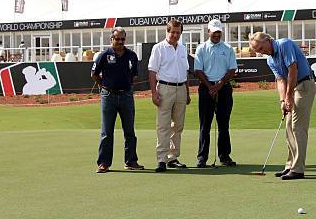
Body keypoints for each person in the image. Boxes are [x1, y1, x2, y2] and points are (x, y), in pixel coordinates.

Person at [249, 32, 316, 180]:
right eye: (258, 51)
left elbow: (293, 69)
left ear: (268, 40)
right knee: (288, 127)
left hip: (304, 85)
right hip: (292, 88)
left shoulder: (284, 44)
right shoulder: (270, 60)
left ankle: (298, 169)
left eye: (261, 48)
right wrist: (282, 101)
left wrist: (289, 96)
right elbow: (280, 80)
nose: (261, 52)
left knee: (298, 127)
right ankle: (290, 166)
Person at [91, 27, 143, 173]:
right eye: (117, 39)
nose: (120, 42)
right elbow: (94, 74)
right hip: (109, 96)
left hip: (126, 95)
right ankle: (104, 163)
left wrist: (125, 85)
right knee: (107, 132)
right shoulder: (104, 55)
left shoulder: (131, 55)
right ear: (111, 39)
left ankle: (131, 161)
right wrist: (105, 85)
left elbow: (134, 75)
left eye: (122, 39)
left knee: (130, 131)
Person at [148, 19, 191, 173]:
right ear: (167, 31)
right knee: (163, 125)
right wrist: (154, 93)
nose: (175, 35)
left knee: (178, 125)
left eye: (178, 32)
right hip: (165, 88)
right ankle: (161, 159)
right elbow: (152, 71)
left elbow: (185, 71)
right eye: (172, 32)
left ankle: (173, 158)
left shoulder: (182, 49)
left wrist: (187, 92)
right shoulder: (158, 48)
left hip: (181, 89)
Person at [194, 19, 237, 168]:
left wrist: (219, 84)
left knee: (223, 124)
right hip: (206, 88)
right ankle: (202, 158)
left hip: (223, 88)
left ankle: (224, 156)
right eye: (214, 32)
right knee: (205, 125)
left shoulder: (228, 48)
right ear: (208, 32)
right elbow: (198, 70)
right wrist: (210, 86)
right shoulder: (201, 48)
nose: (216, 35)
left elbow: (232, 70)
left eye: (219, 32)